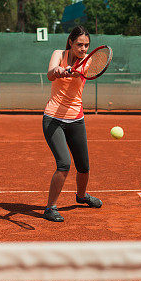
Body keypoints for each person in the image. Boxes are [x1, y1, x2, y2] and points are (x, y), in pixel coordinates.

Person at [41, 25, 103, 222]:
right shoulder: (58, 53)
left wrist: (68, 71)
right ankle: (50, 207)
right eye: (79, 45)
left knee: (83, 166)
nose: (83, 49)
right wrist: (58, 69)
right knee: (64, 163)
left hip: (76, 118)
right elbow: (50, 74)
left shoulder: (88, 60)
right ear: (70, 42)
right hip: (53, 118)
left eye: (86, 45)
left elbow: (77, 73)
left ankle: (82, 196)